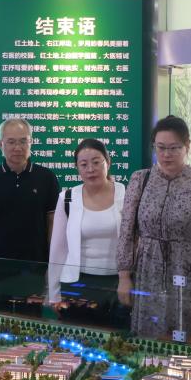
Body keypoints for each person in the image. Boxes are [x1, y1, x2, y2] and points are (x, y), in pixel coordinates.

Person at [116, 116, 191, 345]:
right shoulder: (140, 179)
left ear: (187, 147)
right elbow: (127, 231)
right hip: (148, 272)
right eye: (160, 148)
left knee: (189, 341)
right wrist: (124, 276)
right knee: (150, 342)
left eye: (174, 148)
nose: (166, 155)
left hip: (189, 275)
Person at [0, 118, 60, 307]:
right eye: (11, 142)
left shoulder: (47, 178)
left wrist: (52, 266)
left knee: (31, 321)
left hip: (34, 269)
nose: (17, 147)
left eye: (23, 141)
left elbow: (53, 224)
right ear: (0, 144)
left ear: (31, 142)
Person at [47, 138, 127, 325]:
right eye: (83, 164)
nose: (90, 169)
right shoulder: (67, 198)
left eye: (96, 162)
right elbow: (58, 249)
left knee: (116, 338)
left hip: (117, 283)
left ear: (108, 162)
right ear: (77, 168)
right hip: (77, 283)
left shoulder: (126, 194)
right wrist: (54, 293)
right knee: (77, 337)